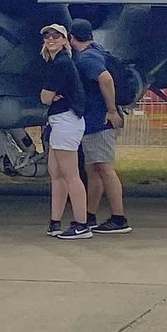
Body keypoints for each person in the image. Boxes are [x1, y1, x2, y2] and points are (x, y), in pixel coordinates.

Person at [67, 19, 129, 233]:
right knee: (93, 170)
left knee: (105, 169)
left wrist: (111, 111)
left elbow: (105, 79)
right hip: (94, 122)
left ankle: (119, 218)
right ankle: (89, 215)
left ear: (71, 38)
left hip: (99, 121)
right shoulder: (98, 51)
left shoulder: (87, 59)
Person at [35, 21, 94, 238]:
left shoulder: (61, 63)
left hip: (66, 121)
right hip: (59, 121)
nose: (51, 39)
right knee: (56, 173)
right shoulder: (56, 63)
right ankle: (55, 221)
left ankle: (81, 224)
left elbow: (44, 97)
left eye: (56, 36)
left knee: (71, 175)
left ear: (64, 40)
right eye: (47, 36)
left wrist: (50, 97)